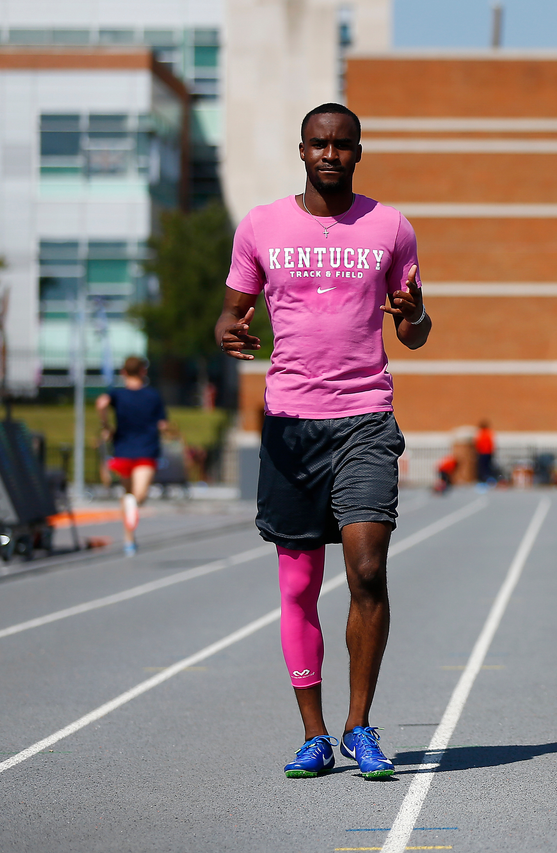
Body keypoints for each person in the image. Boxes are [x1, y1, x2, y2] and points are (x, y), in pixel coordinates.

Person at [214, 102, 431, 781]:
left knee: (367, 570)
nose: (330, 153)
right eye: (318, 143)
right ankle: (313, 734)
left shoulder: (390, 226)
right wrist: (227, 329)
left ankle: (360, 724)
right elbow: (233, 309)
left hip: (365, 418)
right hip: (290, 423)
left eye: (342, 144)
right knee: (299, 584)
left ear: (358, 151)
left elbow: (415, 329)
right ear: (302, 150)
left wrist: (416, 313)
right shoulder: (261, 225)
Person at [95, 355, 168, 557]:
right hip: (146, 449)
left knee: (128, 496)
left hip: (122, 450)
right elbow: (162, 424)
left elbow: (101, 404)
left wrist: (106, 426)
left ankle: (129, 540)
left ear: (123, 373)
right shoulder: (153, 395)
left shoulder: (117, 395)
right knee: (139, 496)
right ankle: (129, 536)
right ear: (143, 371)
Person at [474, 420, 495, 486]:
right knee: (488, 466)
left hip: (482, 452)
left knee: (482, 467)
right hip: (488, 452)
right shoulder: (489, 433)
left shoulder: (481, 433)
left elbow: (478, 443)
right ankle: (488, 479)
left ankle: (483, 479)